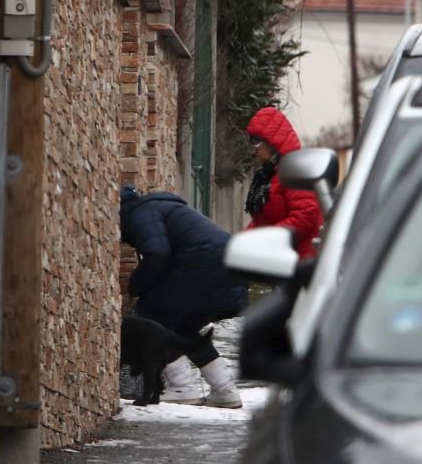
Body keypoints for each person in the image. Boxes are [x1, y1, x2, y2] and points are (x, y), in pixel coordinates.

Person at [120, 186, 248, 408]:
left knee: (153, 323)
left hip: (202, 267)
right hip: (231, 268)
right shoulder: (164, 208)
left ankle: (182, 387)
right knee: (183, 332)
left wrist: (135, 286)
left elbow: (157, 253)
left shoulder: (140, 214)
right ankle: (224, 390)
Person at [245, 106, 322, 258]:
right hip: (278, 259)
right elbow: (261, 222)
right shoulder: (268, 175)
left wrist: (266, 240)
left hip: (298, 264)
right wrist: (240, 242)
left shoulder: (295, 170)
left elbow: (305, 215)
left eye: (256, 143)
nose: (254, 150)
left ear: (271, 141)